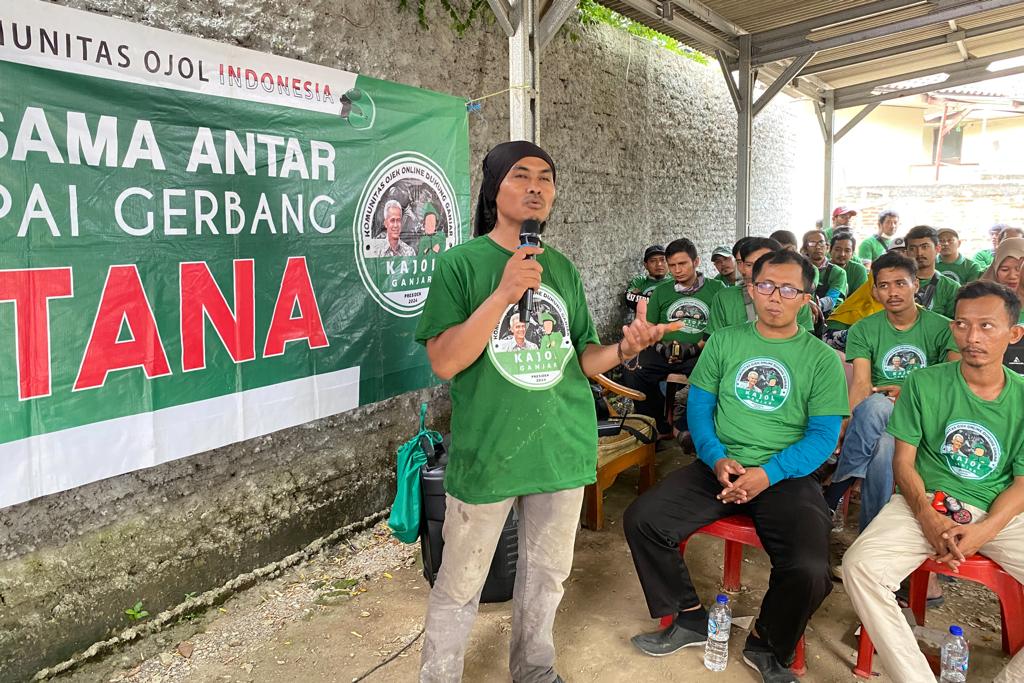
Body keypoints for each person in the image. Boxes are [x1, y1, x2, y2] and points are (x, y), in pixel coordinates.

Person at [415, 140, 679, 683]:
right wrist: (503, 294)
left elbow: (583, 357)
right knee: (460, 583)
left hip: (560, 444)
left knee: (547, 577)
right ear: (493, 189)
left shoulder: (562, 268)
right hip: (490, 450)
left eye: (546, 177)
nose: (536, 186)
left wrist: (625, 350)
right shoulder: (460, 265)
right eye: (520, 175)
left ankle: (534, 671)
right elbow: (444, 361)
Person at [624, 249, 849, 682]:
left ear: (806, 298)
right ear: (751, 289)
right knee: (643, 519)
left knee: (810, 568)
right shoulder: (727, 341)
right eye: (766, 286)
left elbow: (823, 437)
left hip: (785, 475)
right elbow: (699, 409)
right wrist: (716, 457)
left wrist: (768, 474)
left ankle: (767, 642)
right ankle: (689, 618)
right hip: (720, 466)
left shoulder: (820, 359)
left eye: (789, 289)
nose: (775, 297)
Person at [842, 280, 1024, 683]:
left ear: (1014, 334)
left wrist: (983, 531)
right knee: (860, 567)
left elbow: (1022, 484)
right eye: (961, 324)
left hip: (1001, 512)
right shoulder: (924, 383)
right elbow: (903, 464)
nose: (972, 337)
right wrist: (925, 514)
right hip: (930, 500)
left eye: (987, 326)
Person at [823, 252, 959, 532]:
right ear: (874, 290)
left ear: (915, 285)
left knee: (878, 407)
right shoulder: (864, 328)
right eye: (884, 285)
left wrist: (910, 391)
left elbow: (952, 382)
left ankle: (837, 488)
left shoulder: (943, 327)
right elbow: (861, 384)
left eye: (900, 283)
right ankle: (871, 536)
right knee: (883, 443)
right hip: (877, 414)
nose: (892, 292)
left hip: (925, 414)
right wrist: (843, 425)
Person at [631, 238, 724, 435]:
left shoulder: (716, 289)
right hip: (665, 350)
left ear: (696, 261)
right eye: (672, 265)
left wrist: (694, 348)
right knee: (634, 368)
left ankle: (691, 429)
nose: (677, 270)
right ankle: (656, 426)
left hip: (702, 352)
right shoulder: (661, 291)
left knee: (715, 374)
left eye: (682, 264)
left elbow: (720, 329)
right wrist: (661, 347)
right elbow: (650, 326)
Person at [706, 237, 815, 337]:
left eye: (763, 264)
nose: (756, 270)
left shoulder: (795, 298)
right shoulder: (724, 298)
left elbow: (804, 343)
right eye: (749, 264)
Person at [905, 225, 961, 319]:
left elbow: (955, 324)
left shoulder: (951, 287)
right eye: (913, 248)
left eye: (925, 247)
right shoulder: (897, 283)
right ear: (907, 253)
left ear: (937, 249)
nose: (919, 253)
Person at [803, 229, 848, 328]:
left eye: (821, 243)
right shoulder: (799, 269)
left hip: (828, 320)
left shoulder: (838, 272)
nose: (818, 247)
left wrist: (811, 307)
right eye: (812, 243)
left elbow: (832, 299)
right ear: (805, 249)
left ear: (827, 247)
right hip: (804, 316)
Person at [624, 244, 668, 319]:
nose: (659, 264)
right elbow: (629, 298)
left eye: (662, 260)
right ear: (646, 265)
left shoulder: (675, 280)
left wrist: (643, 298)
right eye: (653, 261)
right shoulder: (640, 281)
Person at [830, 230, 869, 294]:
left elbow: (861, 297)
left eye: (847, 250)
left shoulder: (859, 270)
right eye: (837, 250)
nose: (842, 254)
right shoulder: (822, 268)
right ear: (830, 250)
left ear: (852, 254)